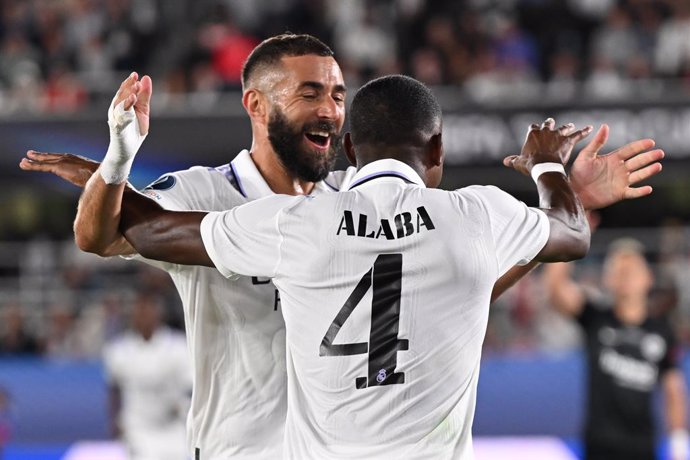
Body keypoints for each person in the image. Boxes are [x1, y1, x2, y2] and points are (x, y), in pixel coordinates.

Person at [19, 32, 664, 458]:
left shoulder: (346, 205)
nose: (330, 110)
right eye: (309, 94)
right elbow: (95, 235)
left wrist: (493, 264)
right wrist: (116, 163)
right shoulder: (201, 193)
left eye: (336, 96)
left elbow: (440, 287)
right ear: (255, 103)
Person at [544, 238, 688, 460]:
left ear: (648, 278)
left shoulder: (662, 331)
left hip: (642, 446)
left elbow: (673, 388)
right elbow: (556, 290)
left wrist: (678, 440)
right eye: (619, 270)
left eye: (632, 269)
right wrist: (568, 237)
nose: (626, 275)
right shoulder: (595, 318)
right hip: (600, 446)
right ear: (607, 280)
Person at [103, 292, 191, 460]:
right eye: (139, 312)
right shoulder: (119, 351)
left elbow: (191, 388)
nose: (143, 317)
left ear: (158, 313)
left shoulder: (178, 346)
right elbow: (113, 389)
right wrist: (114, 422)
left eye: (147, 311)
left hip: (173, 428)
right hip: (138, 427)